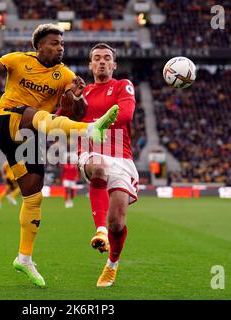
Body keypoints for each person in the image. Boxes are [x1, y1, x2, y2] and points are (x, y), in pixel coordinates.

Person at [0, 23, 119, 287]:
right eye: (55, 43)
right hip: (4, 121)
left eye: (62, 44)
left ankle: (24, 258)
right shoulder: (18, 60)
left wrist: (77, 97)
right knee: (35, 115)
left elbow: (75, 111)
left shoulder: (65, 75)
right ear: (39, 46)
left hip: (31, 137)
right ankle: (90, 131)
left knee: (34, 195)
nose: (61, 47)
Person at [66, 43, 139, 287]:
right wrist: (71, 99)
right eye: (96, 58)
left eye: (107, 58)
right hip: (91, 151)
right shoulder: (82, 94)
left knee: (117, 222)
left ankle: (111, 265)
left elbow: (126, 114)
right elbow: (60, 118)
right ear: (90, 65)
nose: (102, 62)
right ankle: (100, 231)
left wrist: (94, 124)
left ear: (114, 64)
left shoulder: (122, 85)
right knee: (97, 166)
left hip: (121, 156)